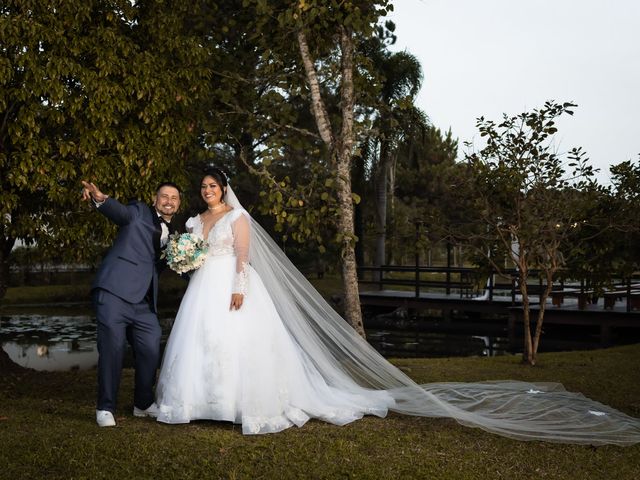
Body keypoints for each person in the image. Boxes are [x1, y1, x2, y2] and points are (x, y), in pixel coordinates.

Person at [155, 168, 640, 445]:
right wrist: (185, 258)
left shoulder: (238, 216)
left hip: (233, 285)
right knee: (203, 341)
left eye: (213, 187)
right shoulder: (197, 218)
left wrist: (240, 283)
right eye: (204, 188)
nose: (208, 192)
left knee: (240, 343)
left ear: (225, 187)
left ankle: (242, 403)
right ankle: (199, 402)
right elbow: (193, 252)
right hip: (203, 286)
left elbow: (244, 253)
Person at [82, 180, 182, 427]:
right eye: (164, 196)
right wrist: (101, 199)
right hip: (114, 292)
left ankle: (143, 403)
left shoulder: (174, 235)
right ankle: (105, 408)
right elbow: (120, 212)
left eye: (174, 198)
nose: (169, 200)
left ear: (178, 204)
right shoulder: (138, 212)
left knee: (150, 347)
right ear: (155, 198)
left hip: (143, 302)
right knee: (112, 350)